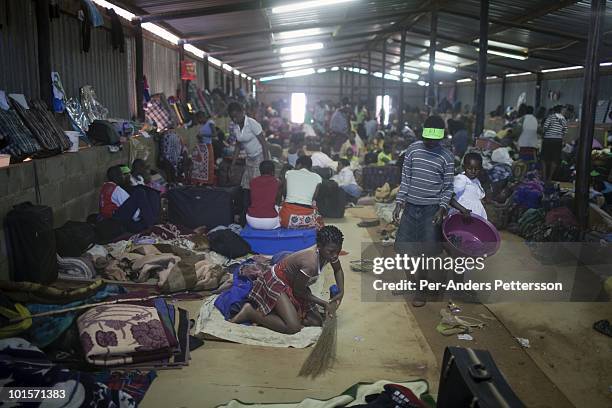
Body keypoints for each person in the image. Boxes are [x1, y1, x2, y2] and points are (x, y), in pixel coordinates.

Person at [230, 226, 345, 334]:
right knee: (293, 327)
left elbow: (338, 270)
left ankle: (285, 313)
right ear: (319, 246)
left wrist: (341, 292)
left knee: (316, 322)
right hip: (277, 281)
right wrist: (324, 303)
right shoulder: (311, 263)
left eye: (338, 252)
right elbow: (298, 291)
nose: (335, 256)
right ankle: (251, 313)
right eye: (331, 252)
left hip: (294, 284)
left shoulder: (330, 254)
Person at [393, 116, 454, 307]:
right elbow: (406, 178)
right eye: (428, 138)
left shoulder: (446, 156)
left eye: (434, 139)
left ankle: (420, 288)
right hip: (410, 207)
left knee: (425, 253)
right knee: (405, 250)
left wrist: (442, 208)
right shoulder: (413, 150)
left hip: (431, 210)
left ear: (441, 137)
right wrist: (399, 202)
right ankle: (414, 282)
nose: (430, 142)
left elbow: (448, 187)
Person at [99, 165, 160, 233]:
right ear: (118, 176)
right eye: (122, 175)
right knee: (140, 192)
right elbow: (135, 214)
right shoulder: (116, 190)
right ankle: (151, 225)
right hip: (115, 220)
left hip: (107, 220)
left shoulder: (105, 187)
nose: (123, 177)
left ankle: (151, 222)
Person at [228, 102, 270, 190]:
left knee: (257, 185)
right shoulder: (235, 127)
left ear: (242, 112)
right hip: (249, 158)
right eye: (232, 117)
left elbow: (264, 143)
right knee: (246, 186)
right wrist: (233, 164)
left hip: (260, 156)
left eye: (236, 116)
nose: (235, 119)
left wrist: (266, 163)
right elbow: (238, 145)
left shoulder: (252, 123)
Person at [278, 156, 323, 229]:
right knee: (318, 217)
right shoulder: (317, 177)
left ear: (299, 165)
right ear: (310, 167)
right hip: (307, 219)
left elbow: (285, 193)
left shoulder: (289, 173)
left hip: (286, 219)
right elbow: (313, 198)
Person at [450, 153, 487, 220]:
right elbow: (449, 197)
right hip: (461, 216)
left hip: (474, 217)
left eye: (476, 169)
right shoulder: (461, 179)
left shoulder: (476, 181)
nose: (473, 171)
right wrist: (463, 210)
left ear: (481, 169)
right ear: (464, 167)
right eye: (470, 168)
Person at [246, 161, 281, 230]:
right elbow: (277, 201)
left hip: (252, 221)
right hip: (270, 222)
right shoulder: (277, 182)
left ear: (260, 171)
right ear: (273, 171)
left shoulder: (252, 182)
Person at [541, 105, 567, 183]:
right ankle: (550, 178)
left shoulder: (550, 117)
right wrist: (561, 139)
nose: (564, 112)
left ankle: (544, 177)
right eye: (563, 110)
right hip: (558, 141)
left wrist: (544, 135)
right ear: (560, 110)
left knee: (544, 158)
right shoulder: (563, 119)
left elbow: (545, 128)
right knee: (554, 159)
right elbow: (564, 131)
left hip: (548, 140)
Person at [190, 111, 216, 185]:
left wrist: (203, 135)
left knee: (208, 166)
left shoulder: (210, 122)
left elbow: (214, 134)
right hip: (203, 148)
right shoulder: (202, 125)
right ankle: (203, 181)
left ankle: (209, 182)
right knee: (202, 166)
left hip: (208, 147)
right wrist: (199, 137)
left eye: (199, 119)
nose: (198, 121)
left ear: (202, 117)